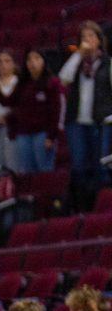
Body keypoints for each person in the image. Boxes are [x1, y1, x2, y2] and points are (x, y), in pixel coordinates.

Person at [59, 20, 112, 210]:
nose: (87, 40)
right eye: (83, 37)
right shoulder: (77, 62)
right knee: (79, 166)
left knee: (101, 165)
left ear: (99, 40)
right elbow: (64, 79)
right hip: (77, 121)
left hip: (100, 121)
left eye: (91, 36)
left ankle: (102, 206)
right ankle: (82, 206)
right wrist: (78, 55)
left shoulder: (107, 63)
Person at [0, 47, 63, 174]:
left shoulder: (52, 83)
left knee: (44, 171)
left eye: (37, 58)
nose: (33, 63)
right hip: (24, 134)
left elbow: (56, 111)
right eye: (29, 59)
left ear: (43, 61)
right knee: (27, 172)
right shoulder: (23, 84)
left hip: (42, 133)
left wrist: (51, 136)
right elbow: (8, 101)